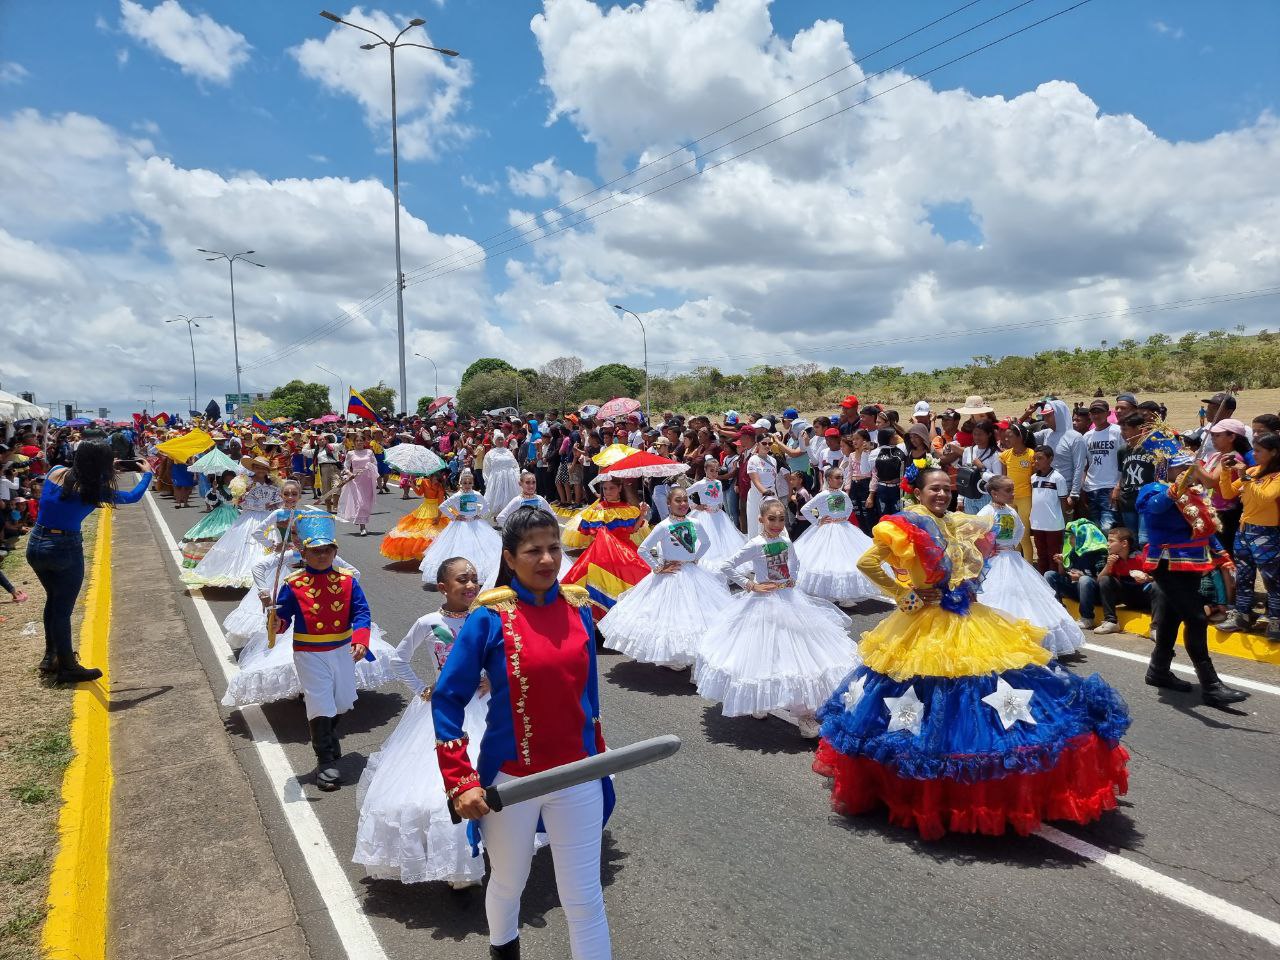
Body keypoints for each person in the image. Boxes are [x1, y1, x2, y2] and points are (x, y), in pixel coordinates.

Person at [813, 467, 1131, 840]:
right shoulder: (905, 523)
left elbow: (975, 563)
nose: (942, 495)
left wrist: (967, 588)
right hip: (925, 622)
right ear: (918, 491)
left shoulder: (961, 522)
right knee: (930, 699)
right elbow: (868, 562)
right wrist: (906, 595)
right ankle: (928, 791)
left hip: (968, 616)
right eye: (934, 489)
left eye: (947, 489)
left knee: (991, 688)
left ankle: (983, 788)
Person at [433, 507, 613, 960]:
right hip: (511, 780)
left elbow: (589, 697)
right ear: (510, 559)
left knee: (584, 897)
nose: (548, 559)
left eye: (554, 548)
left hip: (578, 776)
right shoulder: (488, 619)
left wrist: (598, 755)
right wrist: (460, 781)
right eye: (534, 550)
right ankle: (503, 951)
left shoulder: (579, 608)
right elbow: (448, 698)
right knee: (509, 882)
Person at [354, 557, 535, 887]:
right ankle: (455, 862)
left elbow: (513, 653)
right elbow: (398, 658)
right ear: (442, 587)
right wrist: (422, 689)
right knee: (440, 784)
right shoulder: (428, 622)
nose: (470, 586)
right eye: (462, 580)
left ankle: (494, 844)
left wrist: (494, 680)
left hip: (486, 707)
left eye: (474, 580)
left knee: (495, 775)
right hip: (444, 709)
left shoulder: (489, 618)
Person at [695, 498, 859, 737]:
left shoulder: (784, 540)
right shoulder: (756, 543)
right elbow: (728, 566)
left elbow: (795, 561)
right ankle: (761, 700)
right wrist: (751, 585)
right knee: (763, 652)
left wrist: (791, 578)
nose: (777, 523)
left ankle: (806, 715)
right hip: (763, 603)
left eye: (781, 519)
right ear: (761, 519)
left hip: (789, 599)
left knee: (799, 653)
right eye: (772, 519)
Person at [28, 441, 152, 682]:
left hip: (36, 544)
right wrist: (147, 474)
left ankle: (50, 656)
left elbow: (69, 482)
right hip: (65, 548)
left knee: (53, 601)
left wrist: (104, 467)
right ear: (102, 465)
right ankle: (68, 666)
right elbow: (133, 496)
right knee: (62, 610)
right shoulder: (93, 491)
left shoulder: (55, 472)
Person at [271, 512, 375, 791]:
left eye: (327, 550)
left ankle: (328, 734)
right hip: (309, 652)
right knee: (320, 703)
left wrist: (362, 639)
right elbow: (282, 622)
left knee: (342, 702)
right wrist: (274, 618)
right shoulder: (293, 584)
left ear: (335, 551)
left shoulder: (347, 580)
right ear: (303, 552)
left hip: (342, 649)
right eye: (316, 551)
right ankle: (325, 760)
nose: (322, 555)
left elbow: (362, 612)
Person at [1139, 455, 1250, 706]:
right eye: (1181, 467)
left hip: (1194, 562)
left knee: (1171, 616)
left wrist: (1222, 555)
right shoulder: (1152, 490)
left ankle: (1158, 670)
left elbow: (1205, 526)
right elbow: (1153, 511)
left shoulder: (1195, 493)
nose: (1188, 472)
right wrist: (1174, 490)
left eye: (1190, 467)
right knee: (1196, 618)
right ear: (1165, 468)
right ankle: (1210, 685)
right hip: (1166, 562)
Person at [599, 487, 731, 669]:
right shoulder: (663, 526)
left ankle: (696, 656)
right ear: (668, 504)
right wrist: (658, 567)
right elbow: (643, 549)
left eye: (685, 500)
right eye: (678, 500)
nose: (683, 504)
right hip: (671, 574)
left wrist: (695, 558)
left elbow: (706, 542)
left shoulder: (695, 523)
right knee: (672, 616)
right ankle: (674, 655)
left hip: (692, 573)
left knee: (695, 614)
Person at [978, 476, 1085, 657]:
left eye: (1012, 489)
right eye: (1008, 491)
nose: (1012, 494)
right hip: (996, 559)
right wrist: (991, 549)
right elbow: (979, 535)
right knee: (1001, 596)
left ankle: (1034, 639)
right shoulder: (986, 512)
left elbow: (1019, 531)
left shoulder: (1010, 511)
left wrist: (1007, 546)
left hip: (1012, 558)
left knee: (1022, 596)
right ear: (994, 493)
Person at [182, 458, 283, 589]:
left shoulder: (274, 484)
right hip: (249, 517)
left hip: (267, 518)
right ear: (253, 468)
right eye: (258, 467)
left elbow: (280, 501)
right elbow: (238, 500)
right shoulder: (245, 482)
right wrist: (250, 500)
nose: (261, 470)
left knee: (269, 543)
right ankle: (245, 573)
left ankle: (269, 575)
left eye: (264, 468)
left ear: (268, 470)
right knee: (245, 544)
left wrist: (272, 506)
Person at [1216, 432, 1280, 640]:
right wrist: (1226, 473)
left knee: (1272, 578)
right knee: (1244, 575)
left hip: (1267, 533)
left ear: (1273, 453)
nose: (1254, 454)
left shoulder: (1277, 476)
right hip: (1245, 531)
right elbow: (1227, 494)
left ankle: (1276, 619)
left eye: (1259, 450)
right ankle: (1242, 614)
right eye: (1254, 449)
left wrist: (1246, 476)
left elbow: (1264, 498)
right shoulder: (1253, 471)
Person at [793, 466, 881, 605]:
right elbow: (806, 508)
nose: (840, 480)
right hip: (826, 531)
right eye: (837, 477)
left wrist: (844, 517)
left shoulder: (843, 494)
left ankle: (843, 594)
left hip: (843, 529)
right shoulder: (823, 494)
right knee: (827, 559)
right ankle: (827, 593)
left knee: (843, 559)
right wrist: (818, 521)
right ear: (829, 479)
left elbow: (849, 507)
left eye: (841, 477)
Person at [419, 470, 503, 590]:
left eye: (469, 483)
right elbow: (443, 506)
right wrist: (454, 516)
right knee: (460, 548)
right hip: (461, 525)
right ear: (460, 483)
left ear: (473, 483)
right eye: (465, 483)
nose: (467, 485)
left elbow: (486, 506)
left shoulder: (476, 494)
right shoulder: (458, 495)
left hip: (476, 525)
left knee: (480, 549)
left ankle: (480, 575)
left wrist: (479, 515)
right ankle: (458, 575)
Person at [1046, 518, 1109, 630]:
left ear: (1085, 536)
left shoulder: (1100, 553)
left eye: (1074, 536)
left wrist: (1082, 577)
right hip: (1076, 589)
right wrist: (1061, 563)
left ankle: (1087, 618)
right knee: (1049, 575)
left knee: (1084, 580)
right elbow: (1064, 574)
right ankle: (1058, 611)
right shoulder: (1074, 551)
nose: (1070, 539)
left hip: (1093, 593)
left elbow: (1102, 580)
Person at [686, 458, 747, 574]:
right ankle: (707, 560)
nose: (714, 473)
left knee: (722, 538)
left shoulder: (718, 482)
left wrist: (719, 507)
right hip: (706, 516)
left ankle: (725, 560)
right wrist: (694, 506)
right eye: (711, 471)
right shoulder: (700, 484)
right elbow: (685, 493)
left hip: (719, 515)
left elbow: (719, 498)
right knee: (708, 538)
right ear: (705, 470)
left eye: (716, 471)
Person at [1032, 399, 1086, 517]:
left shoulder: (1075, 437)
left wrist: (1074, 494)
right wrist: (1027, 414)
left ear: (1059, 414)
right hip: (1045, 488)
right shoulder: (1046, 433)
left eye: (1049, 416)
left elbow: (1079, 467)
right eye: (1044, 416)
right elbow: (1022, 437)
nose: (1046, 419)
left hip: (1064, 491)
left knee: (1062, 528)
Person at [381, 471, 449, 562]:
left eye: (438, 478)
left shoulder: (439, 487)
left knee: (433, 532)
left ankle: (434, 554)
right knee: (421, 532)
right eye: (436, 478)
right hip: (425, 508)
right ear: (431, 476)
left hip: (436, 508)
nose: (437, 480)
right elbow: (419, 493)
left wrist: (438, 517)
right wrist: (412, 484)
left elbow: (441, 503)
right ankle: (424, 553)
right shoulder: (424, 482)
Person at [1095, 526, 1151, 635]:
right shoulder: (1113, 559)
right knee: (1105, 580)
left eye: (1111, 541)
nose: (1107, 544)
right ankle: (1111, 621)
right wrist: (1108, 565)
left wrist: (1146, 578)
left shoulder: (1140, 557)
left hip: (1144, 598)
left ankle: (1156, 626)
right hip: (1127, 598)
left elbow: (1157, 580)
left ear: (1124, 543)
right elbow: (1099, 581)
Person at [178, 469, 237, 568]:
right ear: (223, 479)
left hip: (235, 513)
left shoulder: (237, 489)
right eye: (227, 479)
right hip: (221, 513)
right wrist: (214, 489)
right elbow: (211, 501)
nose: (229, 481)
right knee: (219, 531)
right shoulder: (219, 489)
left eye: (231, 479)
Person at [1081, 399, 1123, 531]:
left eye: (1100, 412)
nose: (1096, 415)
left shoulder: (1117, 432)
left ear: (1108, 413)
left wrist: (1118, 486)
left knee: (1108, 527)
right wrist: (1082, 486)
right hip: (1091, 488)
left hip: (1110, 487)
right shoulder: (1087, 436)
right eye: (1093, 412)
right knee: (1095, 529)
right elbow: (1085, 465)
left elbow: (1125, 460)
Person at [1029, 444, 1069, 575]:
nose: (1036, 462)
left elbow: (1063, 502)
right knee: (1041, 555)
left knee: (1054, 556)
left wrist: (1062, 522)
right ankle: (1042, 584)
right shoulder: (1033, 478)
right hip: (1037, 523)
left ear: (1050, 459)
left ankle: (1054, 583)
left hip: (1054, 525)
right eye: (1035, 458)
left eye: (1040, 458)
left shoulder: (1058, 478)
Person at [998, 423, 1036, 558]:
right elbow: (1004, 479)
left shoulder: (1031, 454)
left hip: (1025, 498)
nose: (1006, 439)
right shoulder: (1005, 455)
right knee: (1012, 536)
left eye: (1010, 436)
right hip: (1010, 500)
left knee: (1024, 536)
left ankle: (1028, 568)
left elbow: (1035, 478)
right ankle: (1016, 565)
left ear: (1020, 437)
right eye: (1005, 436)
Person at [959, 420, 1003, 515]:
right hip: (969, 497)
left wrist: (983, 469)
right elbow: (963, 477)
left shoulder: (995, 454)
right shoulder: (968, 451)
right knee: (972, 528)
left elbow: (997, 480)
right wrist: (960, 499)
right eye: (975, 434)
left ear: (989, 434)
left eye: (980, 434)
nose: (977, 437)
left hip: (986, 497)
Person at [337, 435, 378, 537]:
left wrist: (370, 467)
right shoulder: (350, 453)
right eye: (357, 441)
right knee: (360, 503)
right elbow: (346, 466)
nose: (359, 442)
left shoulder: (369, 452)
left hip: (367, 480)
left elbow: (375, 464)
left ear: (364, 442)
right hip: (356, 480)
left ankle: (361, 521)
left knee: (366, 504)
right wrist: (349, 473)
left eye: (361, 440)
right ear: (354, 442)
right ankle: (362, 527)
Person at [867, 428, 909, 523]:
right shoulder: (875, 453)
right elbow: (873, 471)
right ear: (888, 438)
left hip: (898, 488)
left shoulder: (901, 449)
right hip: (882, 488)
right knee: (883, 515)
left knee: (898, 514)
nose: (897, 437)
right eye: (894, 435)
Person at [744, 436, 779, 538]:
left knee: (772, 520)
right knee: (756, 522)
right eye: (764, 443)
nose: (767, 446)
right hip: (757, 494)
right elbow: (755, 480)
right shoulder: (753, 460)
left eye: (769, 444)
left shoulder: (773, 460)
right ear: (758, 444)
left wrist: (771, 495)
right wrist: (765, 493)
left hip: (771, 494)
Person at [483, 435, 521, 512]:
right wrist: (487, 481)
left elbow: (515, 465)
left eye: (501, 439)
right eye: (498, 439)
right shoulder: (490, 453)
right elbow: (486, 469)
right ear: (494, 441)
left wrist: (517, 476)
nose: (500, 441)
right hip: (496, 479)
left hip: (510, 479)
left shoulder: (509, 452)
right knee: (498, 497)